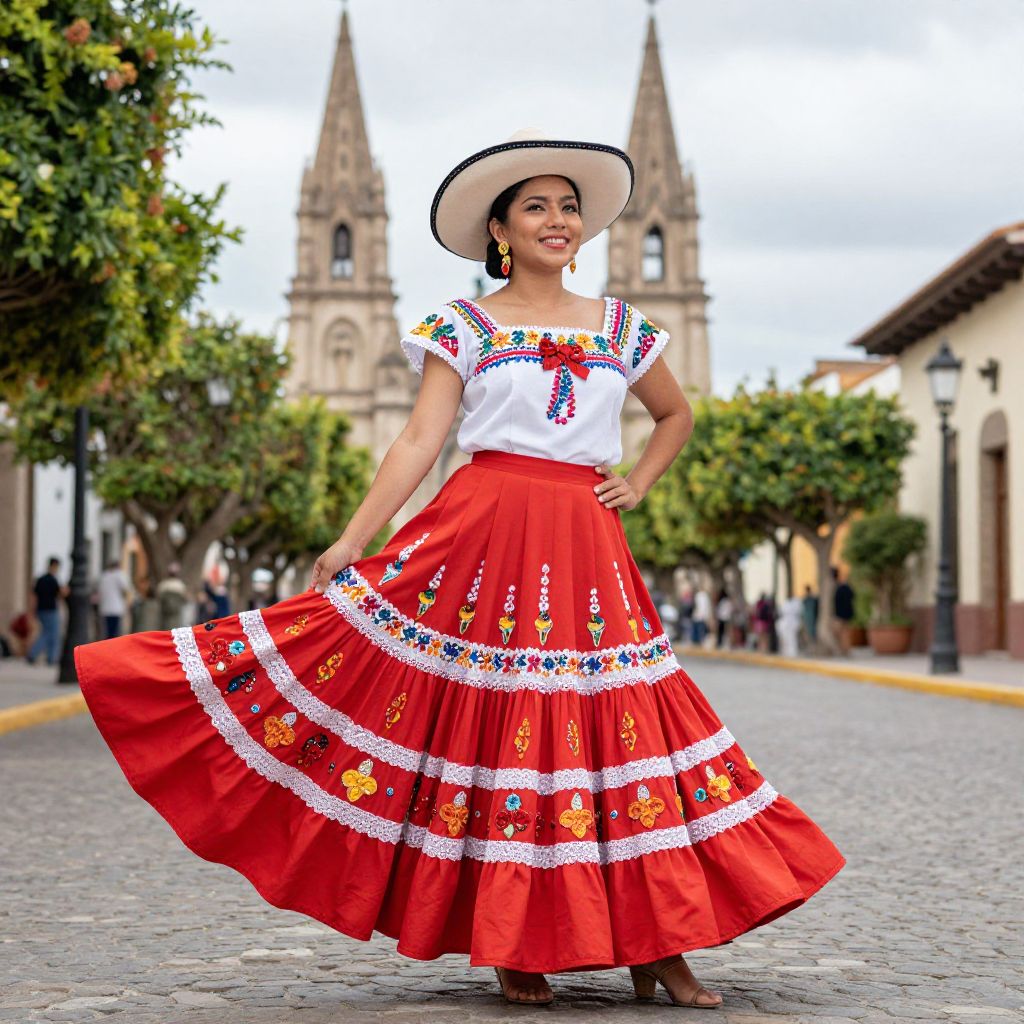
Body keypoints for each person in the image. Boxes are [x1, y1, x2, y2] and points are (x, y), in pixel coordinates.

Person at [73, 129, 844, 1010]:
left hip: (585, 542)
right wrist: (354, 538)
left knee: (623, 725)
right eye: (536, 208)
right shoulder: (463, 325)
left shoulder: (622, 325)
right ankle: (515, 938)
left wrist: (637, 481)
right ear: (500, 231)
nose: (557, 220)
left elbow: (675, 414)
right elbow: (418, 439)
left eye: (569, 207)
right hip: (482, 535)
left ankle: (658, 942)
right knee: (503, 728)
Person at [27, 557, 66, 665]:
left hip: (41, 610)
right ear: (54, 566)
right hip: (50, 610)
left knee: (47, 633)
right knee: (51, 634)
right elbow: (60, 594)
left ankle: (47, 656)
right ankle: (44, 656)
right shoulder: (53, 580)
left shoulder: (40, 579)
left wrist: (32, 610)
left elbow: (34, 596)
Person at [97, 560, 131, 639]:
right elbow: (126, 589)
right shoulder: (119, 575)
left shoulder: (104, 576)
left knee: (108, 631)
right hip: (116, 608)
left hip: (105, 608)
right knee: (115, 632)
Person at [156, 563, 189, 630]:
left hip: (165, 615)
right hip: (176, 615)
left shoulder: (163, 585)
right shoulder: (181, 585)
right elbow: (185, 599)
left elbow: (159, 597)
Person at [832, 568, 855, 653]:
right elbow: (853, 596)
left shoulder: (836, 587)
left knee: (841, 632)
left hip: (839, 614)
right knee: (844, 632)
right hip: (845, 613)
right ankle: (845, 650)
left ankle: (844, 650)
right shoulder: (844, 586)